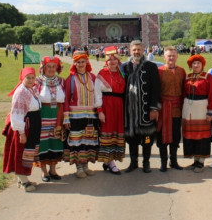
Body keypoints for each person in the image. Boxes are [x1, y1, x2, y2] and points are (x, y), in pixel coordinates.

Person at [122, 40, 161, 173]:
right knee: (131, 139)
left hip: (145, 110)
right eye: (134, 50)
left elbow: (156, 89)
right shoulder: (125, 67)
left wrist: (154, 108)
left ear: (143, 50)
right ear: (130, 50)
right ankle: (133, 163)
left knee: (147, 139)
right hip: (130, 111)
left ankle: (146, 163)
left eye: (139, 49)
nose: (136, 52)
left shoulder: (151, 66)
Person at [2, 67, 41, 192]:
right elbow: (17, 114)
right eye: (27, 78)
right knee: (21, 152)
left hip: (31, 124)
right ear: (22, 78)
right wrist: (21, 133)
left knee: (27, 152)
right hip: (23, 126)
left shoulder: (31, 89)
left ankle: (22, 179)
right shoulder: (21, 92)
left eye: (32, 77)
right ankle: (24, 181)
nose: (30, 80)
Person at [63, 51, 99, 178]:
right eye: (78, 62)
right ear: (74, 63)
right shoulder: (70, 79)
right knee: (76, 141)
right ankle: (78, 167)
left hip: (90, 116)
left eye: (83, 61)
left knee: (88, 140)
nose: (81, 64)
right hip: (75, 116)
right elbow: (66, 99)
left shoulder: (93, 77)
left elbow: (98, 96)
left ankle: (86, 165)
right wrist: (66, 118)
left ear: (87, 62)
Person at [182, 54, 212, 172]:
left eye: (198, 63)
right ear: (190, 65)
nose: (196, 65)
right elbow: (183, 93)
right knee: (191, 134)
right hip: (189, 108)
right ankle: (195, 160)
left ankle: (201, 162)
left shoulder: (208, 77)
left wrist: (210, 112)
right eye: (194, 63)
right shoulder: (188, 77)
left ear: (202, 65)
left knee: (202, 135)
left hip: (202, 108)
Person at [94, 46, 126, 175]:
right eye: (110, 59)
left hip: (119, 106)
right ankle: (110, 161)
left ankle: (108, 161)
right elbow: (97, 94)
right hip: (107, 106)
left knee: (117, 132)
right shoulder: (102, 74)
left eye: (115, 59)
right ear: (106, 61)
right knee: (107, 132)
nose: (112, 62)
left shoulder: (122, 73)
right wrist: (100, 110)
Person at [34, 56, 65, 182]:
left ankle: (53, 170)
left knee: (56, 140)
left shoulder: (61, 81)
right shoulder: (38, 81)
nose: (51, 69)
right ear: (43, 68)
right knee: (43, 142)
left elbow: (66, 99)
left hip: (58, 113)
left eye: (54, 66)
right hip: (43, 114)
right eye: (48, 66)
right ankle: (44, 171)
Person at [156, 46, 186, 172]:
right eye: (169, 56)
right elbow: (155, 91)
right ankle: (163, 162)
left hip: (177, 108)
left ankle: (173, 161)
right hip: (163, 108)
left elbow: (184, 90)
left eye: (173, 55)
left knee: (175, 136)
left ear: (177, 56)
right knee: (162, 136)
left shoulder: (182, 71)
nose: (171, 58)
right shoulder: (159, 71)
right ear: (164, 57)